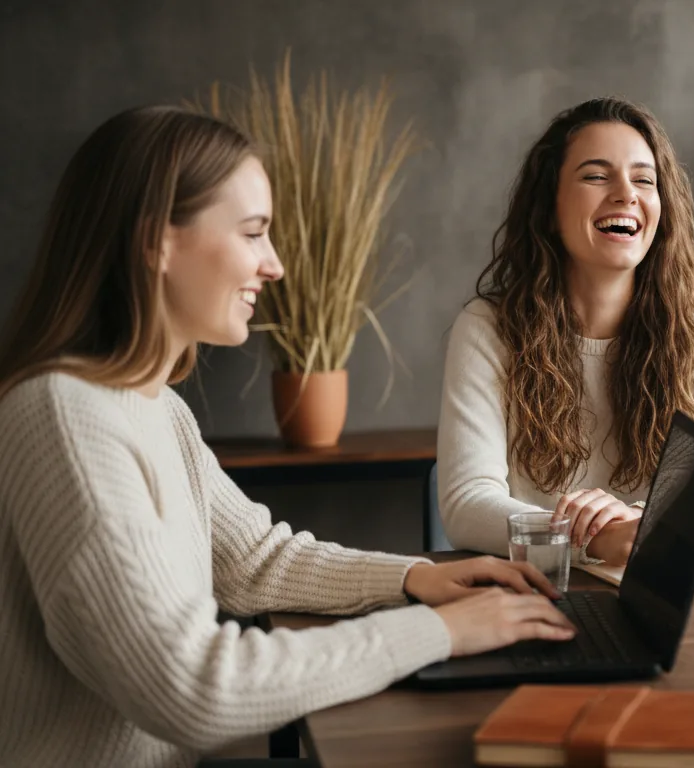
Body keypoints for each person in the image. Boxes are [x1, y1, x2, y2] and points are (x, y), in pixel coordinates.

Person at [0, 106, 575, 768]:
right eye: (252, 233)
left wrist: (417, 578)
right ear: (154, 242)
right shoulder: (64, 417)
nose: (273, 265)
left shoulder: (150, 408)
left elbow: (252, 561)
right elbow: (190, 687)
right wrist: (438, 632)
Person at [437, 97, 694, 564]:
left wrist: (641, 522)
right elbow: (466, 502)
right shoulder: (488, 329)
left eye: (644, 180)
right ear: (549, 207)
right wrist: (585, 537)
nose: (626, 194)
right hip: (540, 591)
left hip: (660, 590)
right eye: (596, 176)